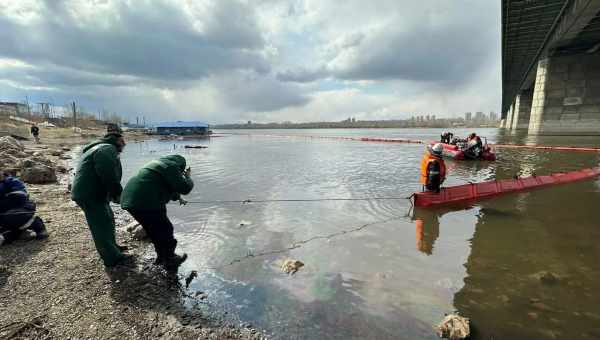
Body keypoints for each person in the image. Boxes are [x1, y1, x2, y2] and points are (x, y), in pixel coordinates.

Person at [120, 155, 193, 269]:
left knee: (153, 230)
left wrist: (178, 198)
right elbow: (185, 188)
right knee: (166, 229)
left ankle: (161, 258)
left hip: (130, 201)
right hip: (146, 202)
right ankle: (170, 259)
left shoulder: (157, 164)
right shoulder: (172, 166)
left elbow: (164, 184)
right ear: (181, 166)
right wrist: (188, 177)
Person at [71, 128, 129, 267]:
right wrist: (117, 193)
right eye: (123, 142)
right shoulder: (106, 149)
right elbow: (108, 174)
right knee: (100, 225)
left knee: (108, 219)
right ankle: (112, 258)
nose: (124, 145)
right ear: (117, 141)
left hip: (94, 193)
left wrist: (112, 194)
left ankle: (113, 248)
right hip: (89, 194)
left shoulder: (100, 147)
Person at [0, 171, 48, 245]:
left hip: (21, 209)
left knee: (10, 216)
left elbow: (19, 198)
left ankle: (37, 224)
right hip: (4, 215)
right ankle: (16, 233)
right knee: (6, 234)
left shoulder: (11, 181)